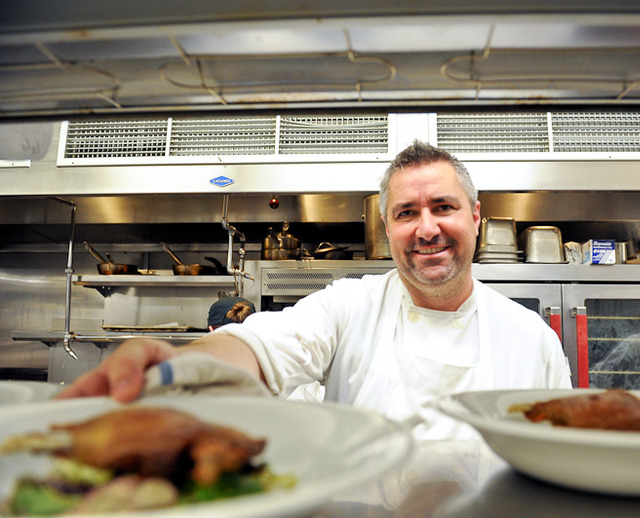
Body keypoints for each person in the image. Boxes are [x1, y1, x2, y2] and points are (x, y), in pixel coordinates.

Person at [58, 140, 571, 439]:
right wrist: (180, 368)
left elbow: (562, 455)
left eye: (443, 206)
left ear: (476, 217)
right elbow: (260, 345)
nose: (426, 228)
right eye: (406, 213)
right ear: (389, 227)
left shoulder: (532, 338)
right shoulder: (351, 305)